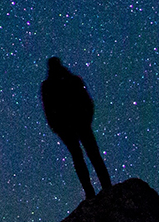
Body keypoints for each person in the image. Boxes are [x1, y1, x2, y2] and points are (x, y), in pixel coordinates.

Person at [41, 58, 112, 199]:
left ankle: (92, 191)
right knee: (92, 155)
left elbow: (49, 111)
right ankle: (105, 186)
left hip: (71, 126)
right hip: (78, 124)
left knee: (81, 157)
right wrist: (85, 119)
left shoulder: (50, 86)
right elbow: (88, 102)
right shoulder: (72, 80)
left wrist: (58, 128)